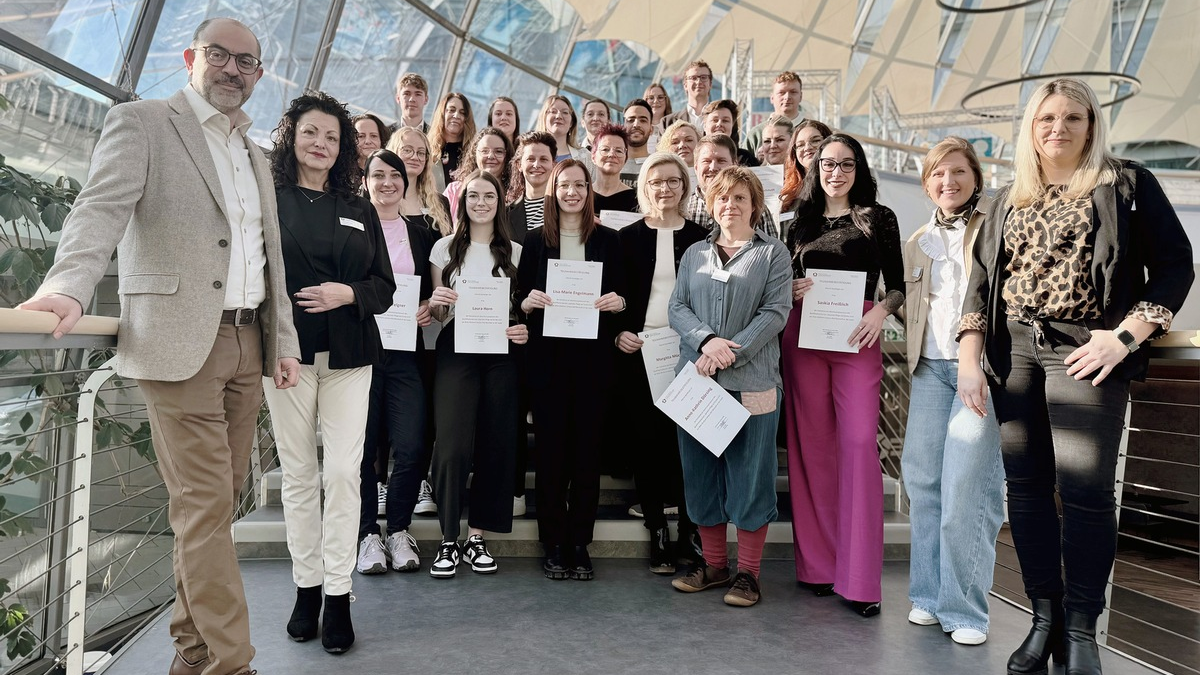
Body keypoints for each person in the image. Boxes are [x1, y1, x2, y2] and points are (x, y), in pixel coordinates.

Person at [18, 18, 299, 675]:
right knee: (204, 507)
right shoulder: (145, 122)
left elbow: (268, 260)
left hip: (247, 345)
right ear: (189, 57)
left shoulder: (256, 153)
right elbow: (99, 208)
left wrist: (279, 340)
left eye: (247, 61)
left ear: (258, 74)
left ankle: (191, 651)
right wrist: (68, 286)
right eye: (221, 55)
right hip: (178, 346)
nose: (234, 69)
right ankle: (232, 663)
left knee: (216, 507)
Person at [957, 78, 1193, 675]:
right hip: (1012, 355)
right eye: (1046, 118)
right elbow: (981, 284)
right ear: (1030, 128)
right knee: (1028, 492)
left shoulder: (1126, 183)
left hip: (1088, 350)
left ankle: (1083, 632)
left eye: (1072, 117)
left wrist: (1124, 336)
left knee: (1087, 493)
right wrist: (968, 357)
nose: (1058, 128)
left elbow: (1175, 266)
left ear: (1091, 125)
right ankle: (1044, 621)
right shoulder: (1007, 197)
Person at [264, 90, 396, 654]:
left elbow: (385, 289)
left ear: (344, 148)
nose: (321, 144)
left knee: (342, 474)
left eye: (333, 137)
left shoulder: (360, 207)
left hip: (349, 358)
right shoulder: (269, 200)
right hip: (286, 359)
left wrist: (349, 292)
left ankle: (339, 595)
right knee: (298, 476)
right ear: (292, 134)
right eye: (312, 132)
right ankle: (306, 589)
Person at [784, 133, 903, 618]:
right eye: (828, 163)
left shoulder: (879, 217)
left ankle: (859, 580)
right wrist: (791, 288)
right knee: (811, 447)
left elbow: (895, 285)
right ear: (815, 168)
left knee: (856, 445)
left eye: (846, 164)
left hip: (858, 336)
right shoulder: (798, 222)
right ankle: (817, 566)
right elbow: (782, 283)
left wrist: (880, 314)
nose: (836, 171)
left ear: (859, 169)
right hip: (804, 337)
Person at [668, 166, 791, 608]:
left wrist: (729, 351)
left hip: (752, 383)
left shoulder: (773, 254)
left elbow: (775, 312)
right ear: (711, 203)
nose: (731, 205)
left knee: (751, 476)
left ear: (755, 205)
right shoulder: (694, 254)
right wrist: (706, 341)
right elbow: (677, 306)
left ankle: (749, 575)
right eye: (723, 198)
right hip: (698, 381)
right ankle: (715, 565)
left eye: (740, 198)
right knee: (700, 475)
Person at [900, 137, 1003, 646]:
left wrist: (977, 361)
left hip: (976, 371)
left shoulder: (995, 228)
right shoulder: (917, 240)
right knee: (923, 484)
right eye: (939, 174)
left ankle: (966, 610)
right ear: (926, 183)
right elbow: (911, 306)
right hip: (928, 370)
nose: (949, 182)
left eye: (958, 172)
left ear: (975, 178)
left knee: (968, 488)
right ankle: (926, 595)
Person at [517, 159, 625, 582]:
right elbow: (520, 302)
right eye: (565, 185)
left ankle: (579, 542)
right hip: (548, 365)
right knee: (550, 457)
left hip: (593, 365)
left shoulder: (609, 241)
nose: (573, 192)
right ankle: (553, 542)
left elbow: (624, 298)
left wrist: (620, 305)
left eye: (581, 185)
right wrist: (527, 304)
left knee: (586, 457)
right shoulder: (534, 241)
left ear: (589, 190)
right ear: (553, 190)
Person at [427, 170, 530, 578]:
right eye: (473, 195)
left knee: (496, 441)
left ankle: (477, 536)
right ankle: (448, 539)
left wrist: (523, 326)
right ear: (462, 201)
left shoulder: (518, 252)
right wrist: (435, 301)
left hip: (502, 350)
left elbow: (524, 311)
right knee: (451, 443)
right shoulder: (442, 249)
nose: (481, 202)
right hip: (456, 347)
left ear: (500, 201)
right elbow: (436, 313)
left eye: (489, 195)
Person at [614, 153, 707, 574]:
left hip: (690, 354)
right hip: (640, 351)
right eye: (656, 182)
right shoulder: (626, 238)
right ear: (644, 188)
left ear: (685, 187)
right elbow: (612, 297)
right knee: (647, 445)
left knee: (688, 446)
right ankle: (656, 532)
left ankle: (690, 531)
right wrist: (619, 333)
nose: (665, 189)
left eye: (673, 181)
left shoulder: (704, 237)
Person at [355, 149, 437, 575]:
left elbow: (429, 287)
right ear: (365, 181)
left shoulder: (422, 234)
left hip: (407, 352)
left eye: (395, 176)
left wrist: (425, 305)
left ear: (406, 183)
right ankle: (368, 533)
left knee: (410, 445)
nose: (387, 183)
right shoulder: (351, 228)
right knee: (365, 448)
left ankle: (399, 528)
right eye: (378, 175)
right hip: (361, 352)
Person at [685, 134, 778, 238]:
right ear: (696, 167)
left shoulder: (755, 208)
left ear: (734, 164)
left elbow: (773, 250)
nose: (713, 167)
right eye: (707, 161)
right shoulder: (683, 207)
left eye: (721, 161)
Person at [385, 126, 452, 236]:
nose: (415, 157)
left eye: (421, 153)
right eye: (407, 150)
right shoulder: (381, 200)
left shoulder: (440, 203)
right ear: (393, 152)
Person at [443, 127, 513, 222]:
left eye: (498, 151)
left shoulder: (515, 193)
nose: (491, 156)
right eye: (485, 151)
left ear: (507, 156)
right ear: (474, 154)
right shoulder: (454, 191)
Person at [780, 120, 833, 240]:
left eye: (815, 141)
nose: (807, 148)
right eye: (800, 145)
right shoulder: (788, 191)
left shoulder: (839, 185)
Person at [506, 131, 557, 244]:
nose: (537, 165)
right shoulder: (505, 214)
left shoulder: (565, 209)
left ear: (553, 165)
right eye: (531, 159)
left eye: (543, 159)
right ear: (519, 165)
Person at [742, 71, 805, 155]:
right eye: (781, 93)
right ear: (772, 98)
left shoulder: (815, 130)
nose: (787, 97)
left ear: (800, 96)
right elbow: (742, 166)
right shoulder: (756, 134)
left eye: (793, 92)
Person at [429, 92, 475, 187]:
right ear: (442, 114)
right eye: (451, 110)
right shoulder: (427, 149)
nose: (456, 115)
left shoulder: (474, 153)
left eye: (462, 113)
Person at [591, 123, 639, 214]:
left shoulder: (637, 200)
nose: (612, 155)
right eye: (605, 149)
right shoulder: (582, 195)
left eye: (618, 151)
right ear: (593, 157)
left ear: (625, 159)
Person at [701, 99, 758, 166]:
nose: (719, 124)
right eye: (715, 120)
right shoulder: (695, 155)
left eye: (725, 120)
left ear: (732, 126)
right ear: (705, 126)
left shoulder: (746, 158)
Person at [536, 95, 587, 164]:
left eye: (565, 112)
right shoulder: (530, 152)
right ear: (544, 118)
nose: (558, 116)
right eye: (553, 111)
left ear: (571, 122)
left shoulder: (585, 157)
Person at [662, 60, 713, 128]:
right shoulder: (668, 122)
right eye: (693, 78)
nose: (698, 82)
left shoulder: (722, 120)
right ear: (685, 85)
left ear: (710, 84)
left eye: (703, 77)